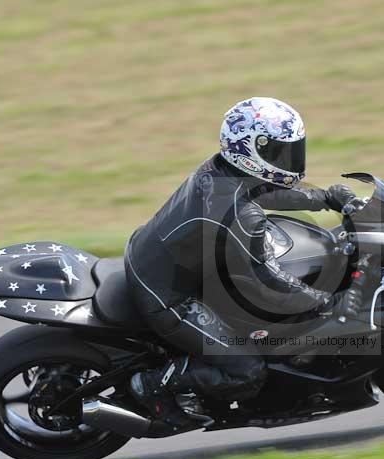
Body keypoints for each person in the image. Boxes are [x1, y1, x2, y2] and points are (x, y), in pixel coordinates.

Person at [124, 97, 363, 425]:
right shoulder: (238, 214)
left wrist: (325, 198)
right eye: (280, 152)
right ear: (252, 151)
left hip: (161, 259)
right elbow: (268, 283)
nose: (289, 159)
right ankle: (154, 384)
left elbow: (266, 191)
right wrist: (328, 301)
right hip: (168, 297)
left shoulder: (225, 168)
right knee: (247, 371)